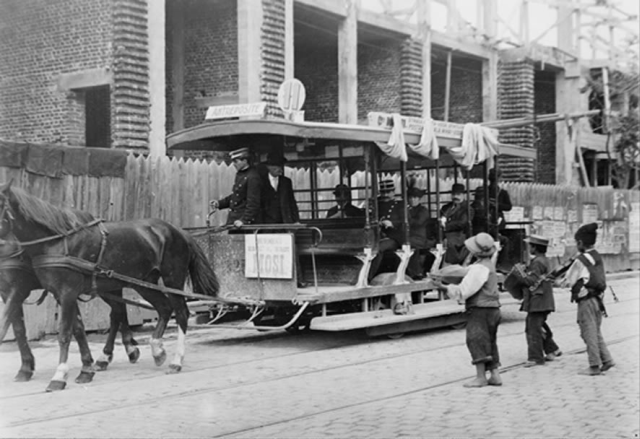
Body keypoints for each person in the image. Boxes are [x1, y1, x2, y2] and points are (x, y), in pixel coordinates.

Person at [432, 232, 502, 388]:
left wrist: (442, 286)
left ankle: (480, 377)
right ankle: (495, 375)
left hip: (480, 309)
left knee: (476, 340)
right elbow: (464, 271)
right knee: (490, 341)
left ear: (475, 251)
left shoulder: (479, 269)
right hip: (493, 309)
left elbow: (464, 291)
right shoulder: (488, 265)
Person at [562, 223, 615, 376]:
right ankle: (607, 359)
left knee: (588, 332)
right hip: (598, 299)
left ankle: (594, 366)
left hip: (586, 300)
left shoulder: (580, 260)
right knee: (595, 331)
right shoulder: (596, 255)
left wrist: (558, 281)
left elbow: (568, 280)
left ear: (579, 243)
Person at [513, 235, 562, 367]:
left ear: (535, 248)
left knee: (533, 328)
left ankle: (535, 357)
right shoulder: (544, 260)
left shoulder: (537, 262)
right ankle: (552, 349)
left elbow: (531, 281)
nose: (529, 248)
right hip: (542, 299)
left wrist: (519, 273)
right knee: (538, 325)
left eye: (531, 246)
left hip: (538, 300)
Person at [210, 147, 262, 227]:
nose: (233, 164)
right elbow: (237, 196)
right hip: (234, 221)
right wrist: (219, 203)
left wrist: (244, 220)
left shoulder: (252, 177)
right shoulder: (240, 174)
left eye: (236, 161)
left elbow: (253, 203)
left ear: (244, 161)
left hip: (243, 224)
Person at [368, 179, 405, 282]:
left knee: (378, 248)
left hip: (394, 237)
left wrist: (392, 223)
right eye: (383, 192)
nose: (385, 195)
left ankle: (370, 276)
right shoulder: (377, 205)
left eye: (388, 192)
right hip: (377, 235)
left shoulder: (399, 205)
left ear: (393, 192)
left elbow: (405, 220)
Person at [260, 152, 300, 224]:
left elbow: (292, 202)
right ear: (269, 167)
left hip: (285, 222)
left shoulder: (286, 182)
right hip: (266, 224)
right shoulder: (261, 182)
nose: (280, 170)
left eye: (280, 167)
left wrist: (296, 220)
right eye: (276, 167)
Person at [440, 183, 474, 265]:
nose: (456, 197)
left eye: (458, 194)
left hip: (459, 235)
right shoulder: (446, 207)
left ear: (463, 195)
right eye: (454, 194)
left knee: (447, 242)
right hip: (444, 233)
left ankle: (448, 264)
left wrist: (445, 226)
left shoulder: (468, 209)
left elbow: (462, 223)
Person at [406, 186, 435, 279]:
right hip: (411, 237)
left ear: (419, 199)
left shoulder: (423, 210)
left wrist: (406, 218)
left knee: (408, 243)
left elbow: (417, 223)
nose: (412, 200)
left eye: (415, 198)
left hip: (421, 238)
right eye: (410, 198)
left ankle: (416, 272)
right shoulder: (407, 210)